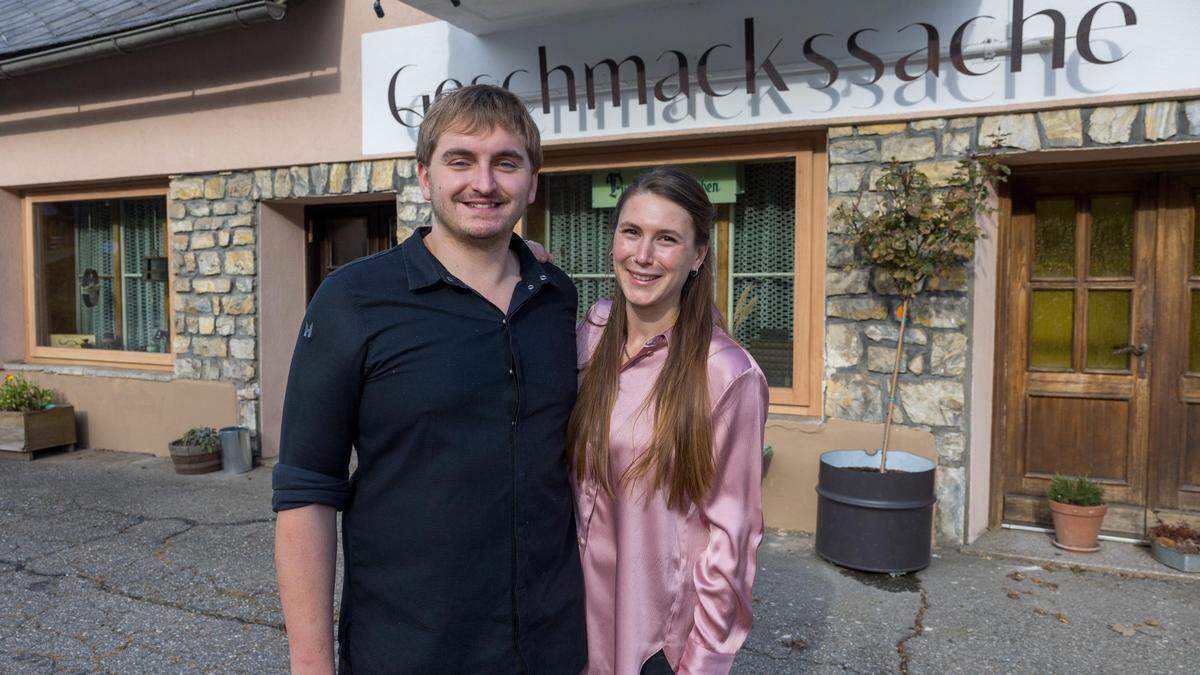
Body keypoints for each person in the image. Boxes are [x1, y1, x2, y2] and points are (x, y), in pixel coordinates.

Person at [271, 85, 586, 674]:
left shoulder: (555, 295)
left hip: (550, 646)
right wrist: (311, 665)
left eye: (506, 163)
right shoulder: (354, 300)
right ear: (425, 176)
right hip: (411, 649)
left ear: (533, 182)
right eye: (460, 160)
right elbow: (306, 490)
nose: (484, 183)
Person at [568, 169, 768, 674]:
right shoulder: (589, 335)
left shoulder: (726, 373)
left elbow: (732, 541)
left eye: (667, 240)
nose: (642, 255)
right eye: (631, 232)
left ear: (698, 254)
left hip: (653, 647)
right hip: (569, 628)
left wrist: (700, 665)